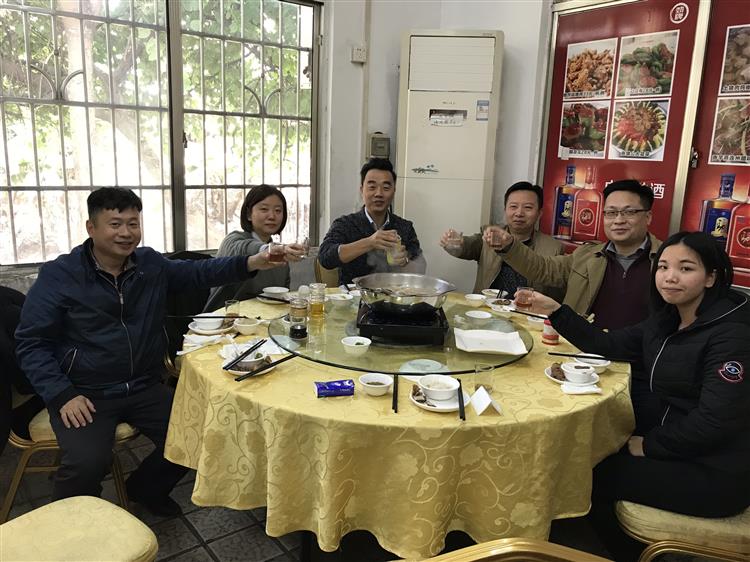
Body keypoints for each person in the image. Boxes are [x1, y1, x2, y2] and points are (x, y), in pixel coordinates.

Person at [15, 187, 284, 516]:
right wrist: (61, 394)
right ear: (91, 228)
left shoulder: (150, 265)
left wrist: (254, 261)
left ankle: (145, 488)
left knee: (202, 435)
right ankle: (71, 528)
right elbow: (31, 342)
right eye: (115, 224)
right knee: (87, 463)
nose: (126, 233)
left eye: (133, 223)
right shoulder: (60, 275)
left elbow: (201, 272)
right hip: (85, 391)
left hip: (143, 384)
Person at [525, 232, 750, 561]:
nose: (670, 277)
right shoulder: (667, 320)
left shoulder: (732, 335)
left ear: (711, 277)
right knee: (583, 456)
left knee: (587, 473)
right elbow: (608, 345)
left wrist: (648, 445)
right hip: (676, 446)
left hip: (716, 471)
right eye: (664, 267)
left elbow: (715, 422)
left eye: (686, 268)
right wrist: (557, 311)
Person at [488, 180, 661, 329]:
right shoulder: (587, 255)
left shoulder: (665, 259)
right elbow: (543, 268)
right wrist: (509, 245)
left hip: (640, 354)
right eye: (611, 213)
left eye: (629, 212)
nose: (618, 220)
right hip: (583, 349)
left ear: (648, 217)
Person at [439, 181, 563, 297]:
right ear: (505, 210)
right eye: (513, 206)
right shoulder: (490, 235)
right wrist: (456, 244)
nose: (519, 213)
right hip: (486, 308)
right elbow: (469, 246)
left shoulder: (553, 248)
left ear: (539, 213)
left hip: (527, 310)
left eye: (528, 208)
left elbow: (556, 294)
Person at [318, 158, 425, 285]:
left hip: (394, 294)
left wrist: (405, 261)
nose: (379, 193)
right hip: (353, 295)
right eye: (372, 187)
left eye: (386, 187)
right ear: (362, 190)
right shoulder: (345, 224)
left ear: (394, 191)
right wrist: (369, 242)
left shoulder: (405, 227)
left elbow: (421, 268)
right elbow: (325, 258)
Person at [203, 184, 305, 311]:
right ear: (248, 214)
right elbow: (244, 247)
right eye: (264, 209)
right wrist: (267, 250)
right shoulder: (233, 240)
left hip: (266, 318)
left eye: (278, 211)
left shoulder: (281, 254)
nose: (272, 216)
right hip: (224, 318)